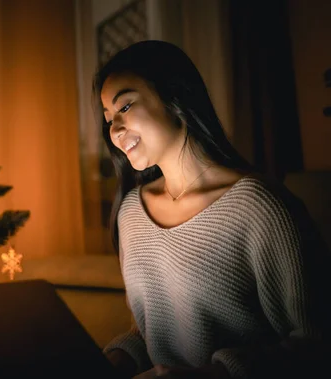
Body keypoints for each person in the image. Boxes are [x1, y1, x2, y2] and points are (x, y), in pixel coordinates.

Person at [96, 40, 329, 379]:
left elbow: (316, 344)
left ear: (174, 98)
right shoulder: (132, 213)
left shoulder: (260, 206)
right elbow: (151, 332)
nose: (114, 130)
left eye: (126, 107)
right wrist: (118, 358)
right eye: (108, 119)